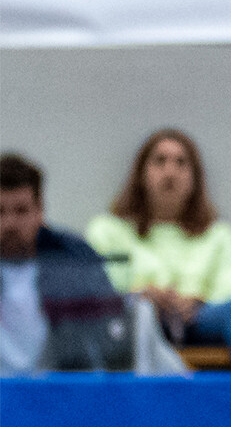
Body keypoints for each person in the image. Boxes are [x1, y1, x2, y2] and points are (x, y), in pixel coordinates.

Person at [86, 129, 231, 371]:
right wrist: (142, 295)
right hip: (134, 321)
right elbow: (101, 291)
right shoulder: (107, 229)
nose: (170, 172)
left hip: (199, 322)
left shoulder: (218, 234)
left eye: (181, 163)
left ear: (194, 179)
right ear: (140, 174)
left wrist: (196, 302)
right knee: (131, 313)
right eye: (159, 161)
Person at [1, 153, 185, 375]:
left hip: (61, 389)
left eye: (21, 211)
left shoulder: (74, 258)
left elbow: (111, 329)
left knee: (141, 313)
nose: (10, 224)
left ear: (40, 211)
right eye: (0, 212)